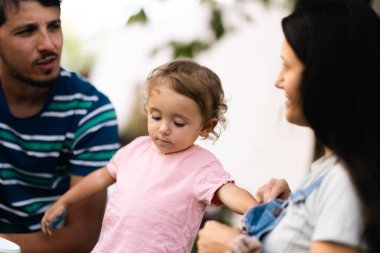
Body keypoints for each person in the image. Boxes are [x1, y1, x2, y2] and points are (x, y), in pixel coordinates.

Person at [197, 0, 380, 253]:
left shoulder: (345, 181)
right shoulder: (333, 172)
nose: (278, 81)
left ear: (324, 76)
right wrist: (290, 214)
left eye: (288, 66)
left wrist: (232, 247)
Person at [40, 59, 258, 253]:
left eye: (178, 123)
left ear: (206, 126)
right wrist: (65, 202)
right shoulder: (136, 149)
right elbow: (100, 177)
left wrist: (256, 211)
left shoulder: (201, 165)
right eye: (156, 116)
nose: (164, 128)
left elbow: (229, 192)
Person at [0, 0, 119, 252]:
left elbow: (82, 236)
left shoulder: (91, 110)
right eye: (27, 31)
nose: (48, 44)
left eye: (54, 26)